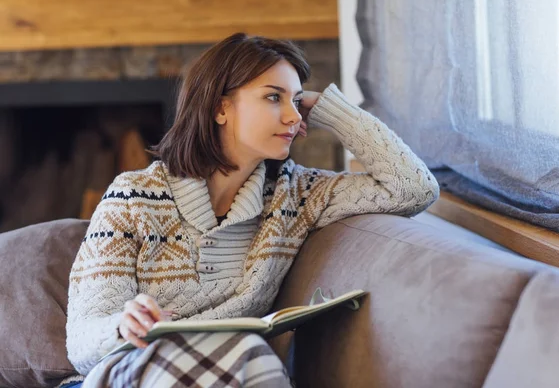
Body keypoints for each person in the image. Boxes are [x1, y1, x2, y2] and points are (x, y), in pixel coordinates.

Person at [62, 32, 439, 388]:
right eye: (273, 98)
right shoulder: (132, 198)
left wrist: (330, 110)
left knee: (248, 356)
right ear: (220, 107)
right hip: (127, 370)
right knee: (248, 356)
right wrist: (122, 327)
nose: (293, 116)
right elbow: (82, 344)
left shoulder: (297, 196)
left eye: (296, 101)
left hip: (229, 369)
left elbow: (412, 188)